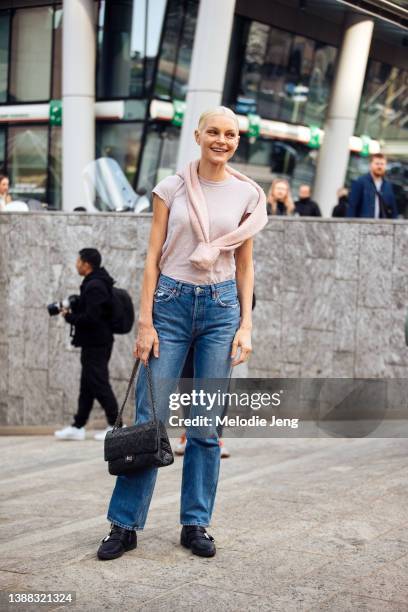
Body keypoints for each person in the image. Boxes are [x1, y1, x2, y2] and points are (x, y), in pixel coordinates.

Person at [97, 106, 267, 561]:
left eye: (230, 134)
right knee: (150, 420)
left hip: (221, 309)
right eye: (214, 131)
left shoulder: (247, 195)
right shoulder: (171, 188)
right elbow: (152, 256)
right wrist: (147, 321)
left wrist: (246, 325)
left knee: (205, 427)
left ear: (237, 140)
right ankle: (124, 525)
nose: (222, 140)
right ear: (197, 135)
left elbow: (245, 265)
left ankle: (196, 523)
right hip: (170, 305)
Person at [54, 248, 120, 441]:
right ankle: (78, 426)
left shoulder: (96, 285)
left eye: (78, 260)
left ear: (86, 264)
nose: (76, 264)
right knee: (87, 384)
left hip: (97, 342)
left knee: (98, 382)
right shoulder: (94, 283)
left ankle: (116, 424)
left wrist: (69, 317)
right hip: (93, 342)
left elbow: (92, 318)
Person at [347, 153, 398, 219]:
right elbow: (352, 207)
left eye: (382, 164)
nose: (379, 166)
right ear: (370, 165)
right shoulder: (360, 182)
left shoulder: (388, 186)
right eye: (377, 163)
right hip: (363, 225)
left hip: (382, 226)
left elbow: (393, 209)